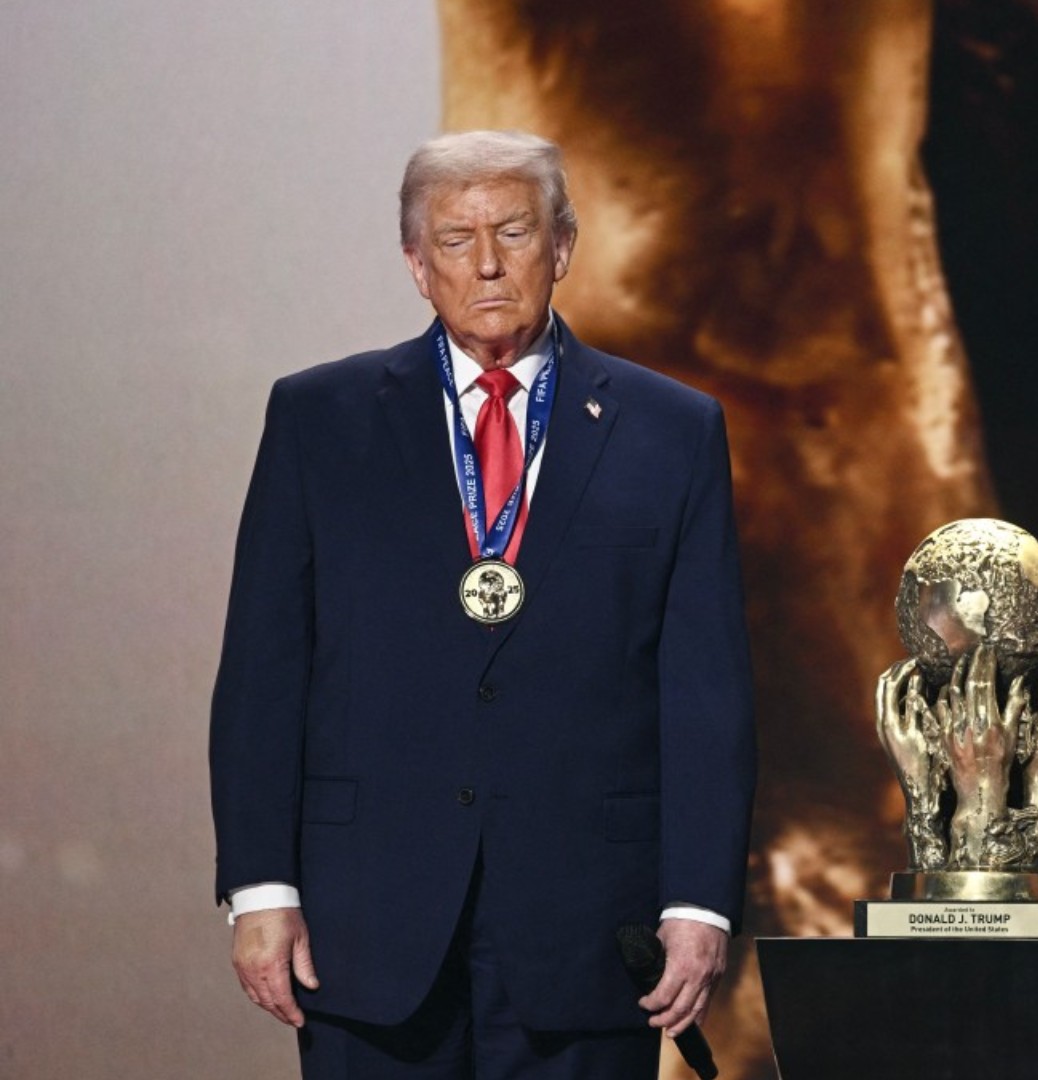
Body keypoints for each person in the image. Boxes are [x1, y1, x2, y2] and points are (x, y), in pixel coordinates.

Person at [210, 130, 757, 1078]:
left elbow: (705, 692)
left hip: (587, 927)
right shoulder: (319, 420)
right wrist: (260, 886)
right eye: (457, 240)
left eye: (514, 231)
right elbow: (265, 672)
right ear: (417, 266)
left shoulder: (673, 430)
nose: (489, 263)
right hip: (367, 922)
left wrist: (698, 903)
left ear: (565, 248)